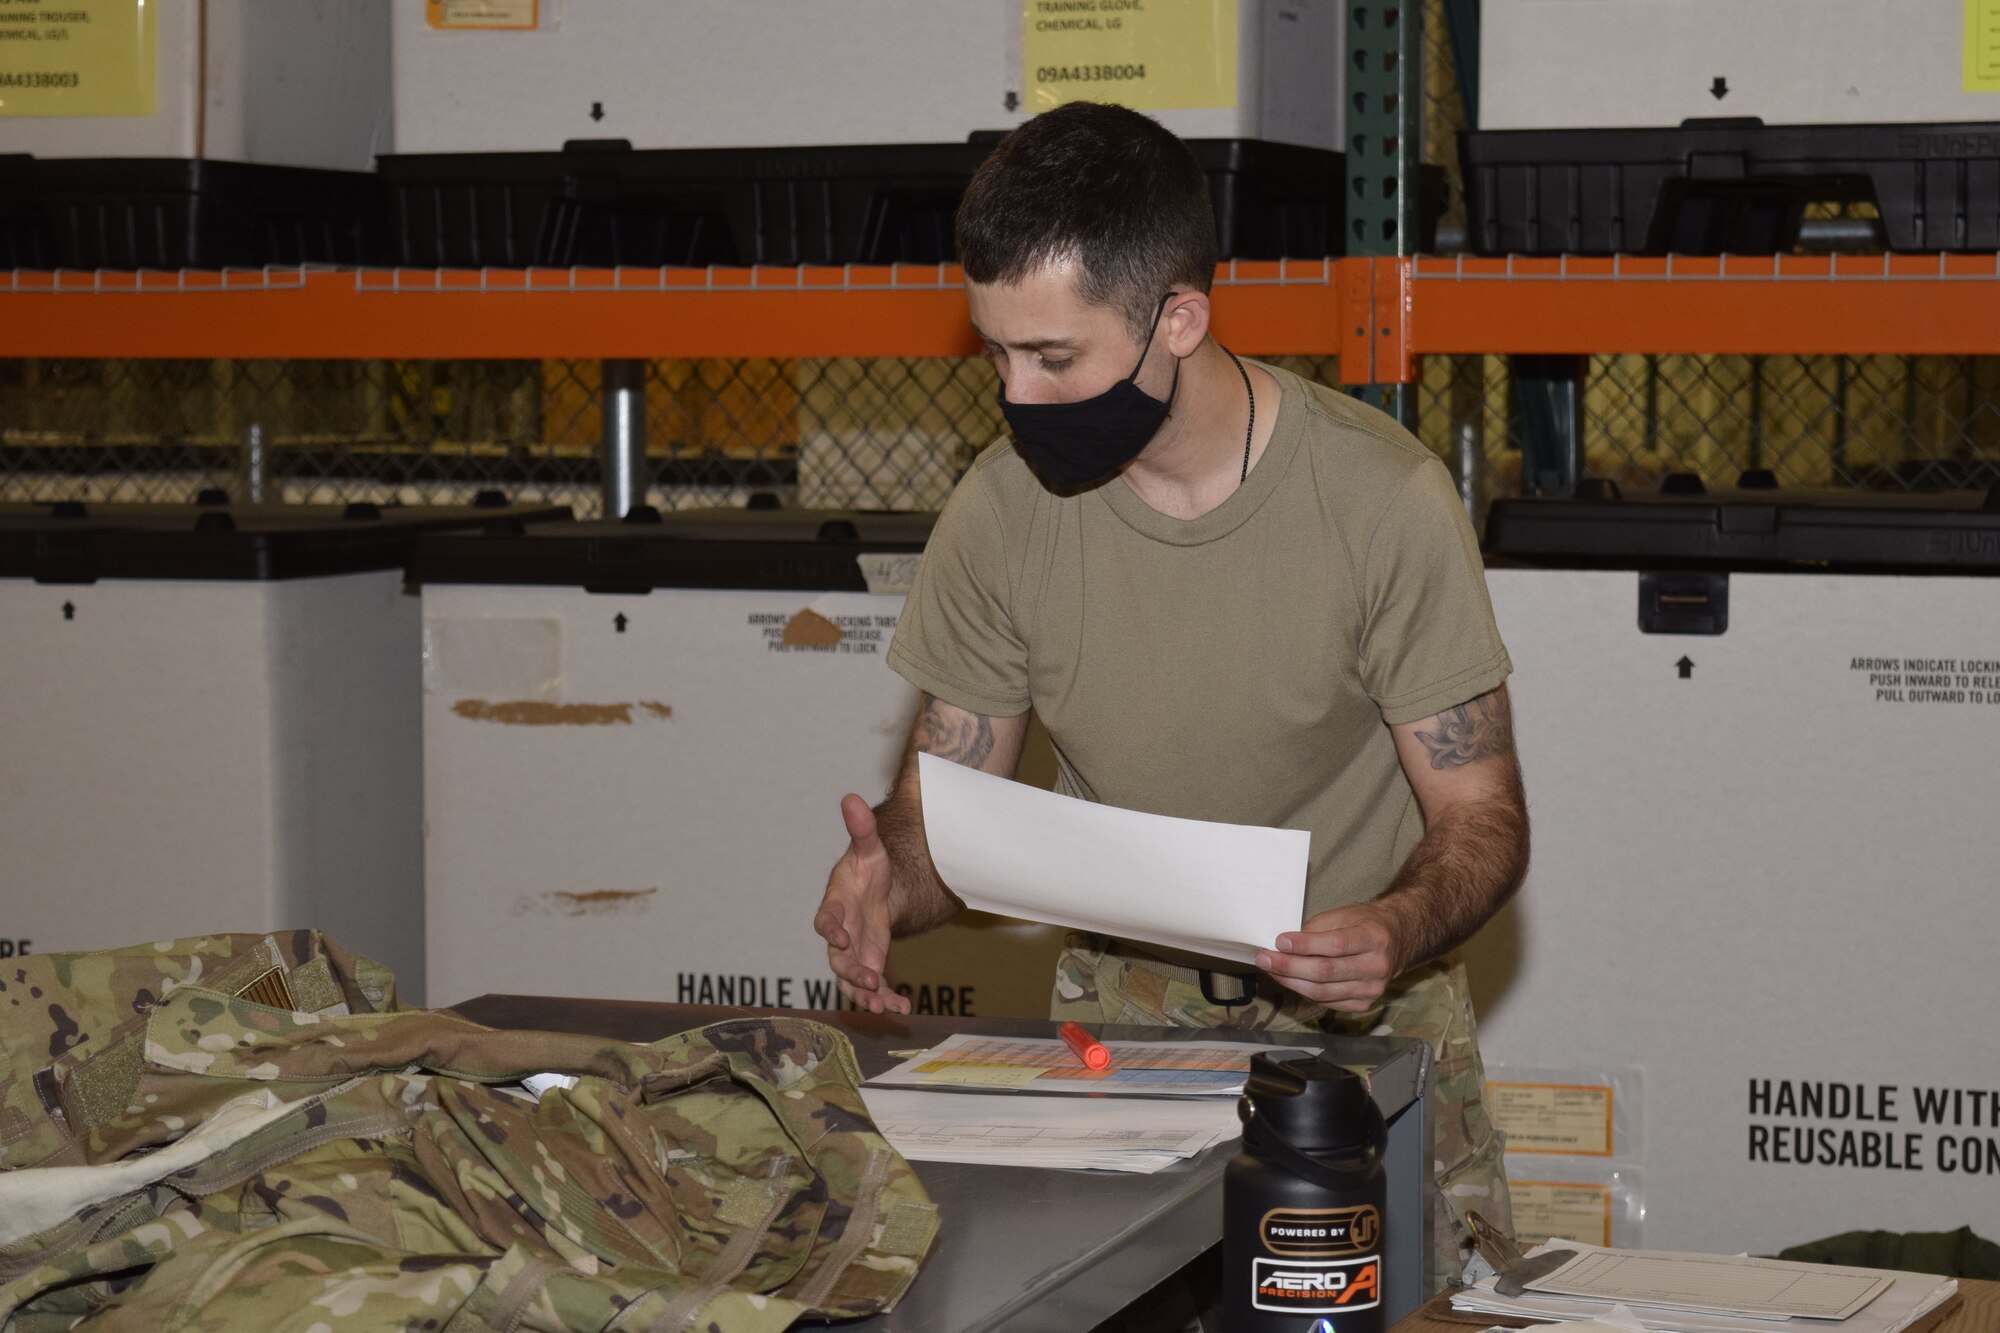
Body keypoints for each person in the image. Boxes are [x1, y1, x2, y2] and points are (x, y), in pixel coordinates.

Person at [811, 101, 1529, 1295]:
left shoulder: (1379, 501)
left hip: (1362, 1024)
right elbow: (946, 821)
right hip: (1115, 1028)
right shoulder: (999, 511)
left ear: (1177, 319)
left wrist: (1391, 930)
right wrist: (885, 879)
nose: (1016, 396)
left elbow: (1481, 818)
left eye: (1055, 358)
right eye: (994, 352)